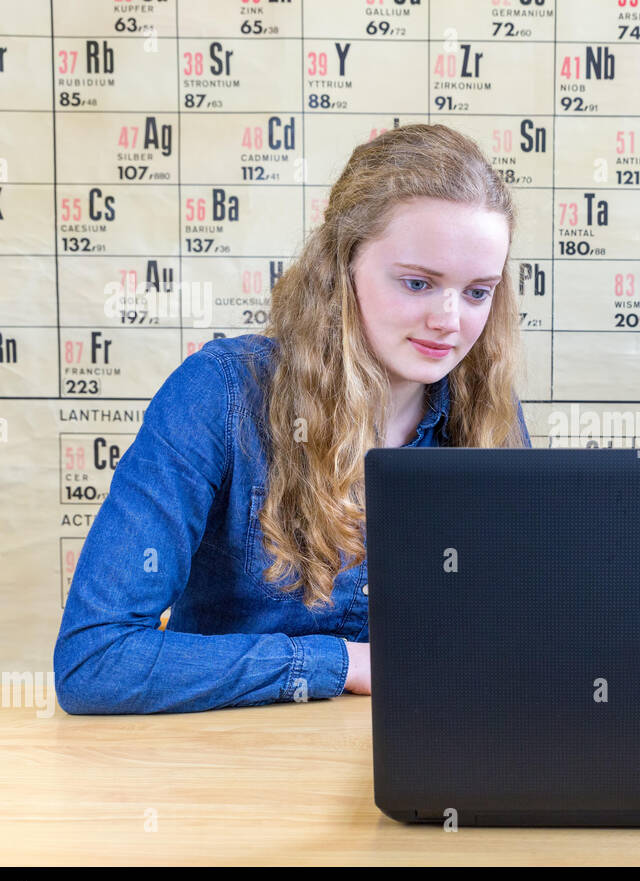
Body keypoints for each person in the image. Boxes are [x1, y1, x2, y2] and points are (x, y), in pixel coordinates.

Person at [55, 124, 531, 714]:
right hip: (229, 770)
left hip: (418, 764)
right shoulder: (221, 395)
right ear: (343, 265)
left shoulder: (489, 415)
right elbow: (94, 661)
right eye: (417, 283)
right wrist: (344, 664)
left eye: (478, 292)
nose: (449, 321)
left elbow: (518, 642)